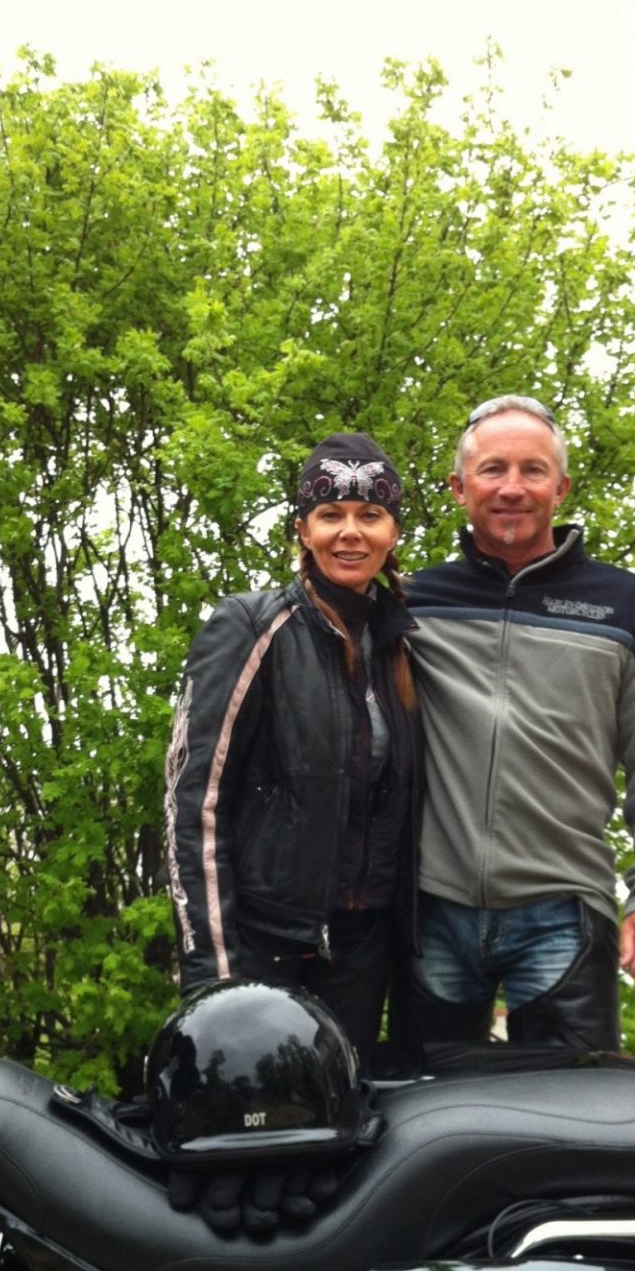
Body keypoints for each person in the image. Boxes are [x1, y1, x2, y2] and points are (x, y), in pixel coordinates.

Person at [399, 395, 635, 1059]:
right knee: (425, 1127)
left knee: (575, 1130)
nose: (512, 488)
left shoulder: (630, 608)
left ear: (561, 487)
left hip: (563, 913)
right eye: (492, 470)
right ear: (458, 487)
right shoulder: (410, 604)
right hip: (432, 906)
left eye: (533, 471)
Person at [163, 432, 419, 1064]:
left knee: (342, 1135)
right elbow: (192, 802)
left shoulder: (400, 646)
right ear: (303, 529)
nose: (350, 533)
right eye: (331, 514)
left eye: (370, 515)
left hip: (361, 952)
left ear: (393, 533)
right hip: (261, 946)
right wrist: (214, 973)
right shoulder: (254, 626)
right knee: (255, 1136)